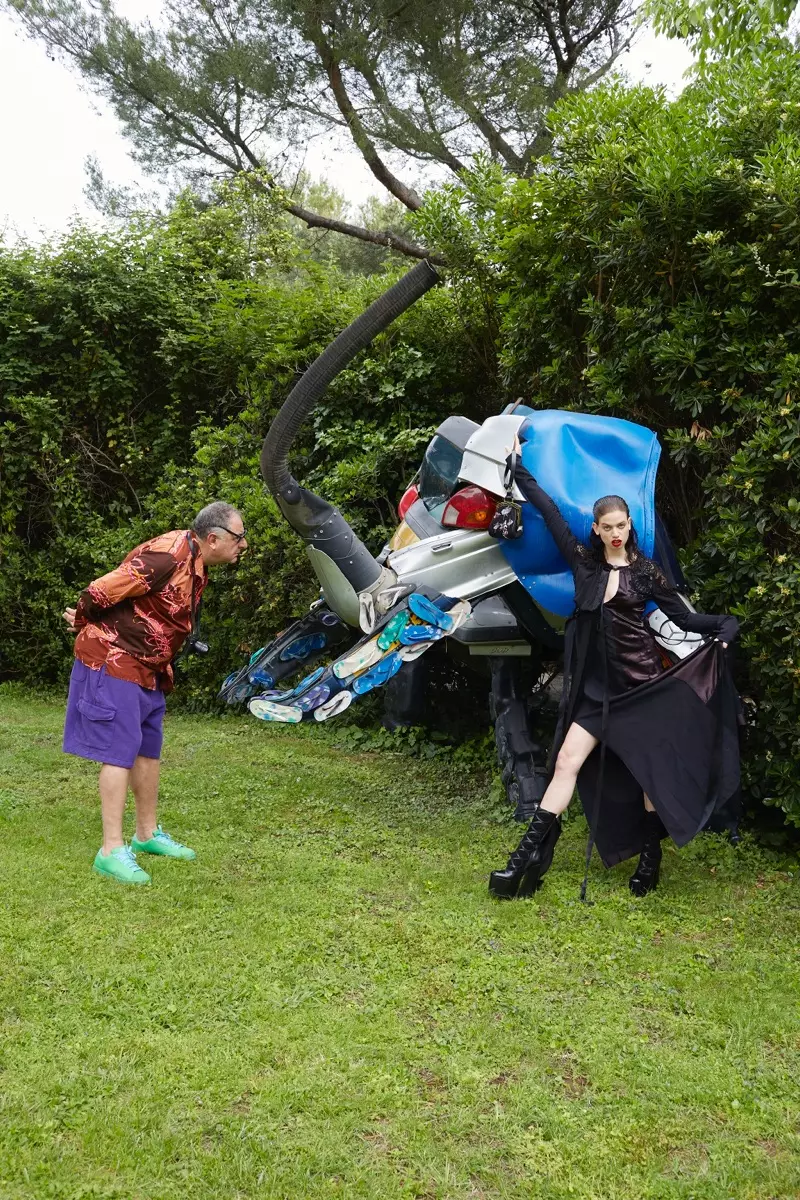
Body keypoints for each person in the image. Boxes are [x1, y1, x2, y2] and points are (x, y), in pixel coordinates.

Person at [489, 435, 740, 901]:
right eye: (608, 527)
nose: (617, 533)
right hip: (596, 690)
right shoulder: (584, 566)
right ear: (597, 529)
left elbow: (684, 619)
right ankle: (518, 864)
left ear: (629, 525)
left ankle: (650, 860)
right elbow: (548, 511)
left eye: (622, 525)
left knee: (647, 776)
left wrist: (725, 627)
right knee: (565, 761)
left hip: (642, 686)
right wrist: (520, 471)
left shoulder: (645, 573)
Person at [62, 502, 248, 885]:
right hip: (115, 660)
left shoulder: (196, 561)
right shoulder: (167, 555)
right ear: (212, 538)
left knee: (148, 750)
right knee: (119, 750)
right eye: (239, 537)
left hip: (149, 668)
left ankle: (145, 836)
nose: (243, 544)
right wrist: (82, 622)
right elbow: (100, 590)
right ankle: (110, 850)